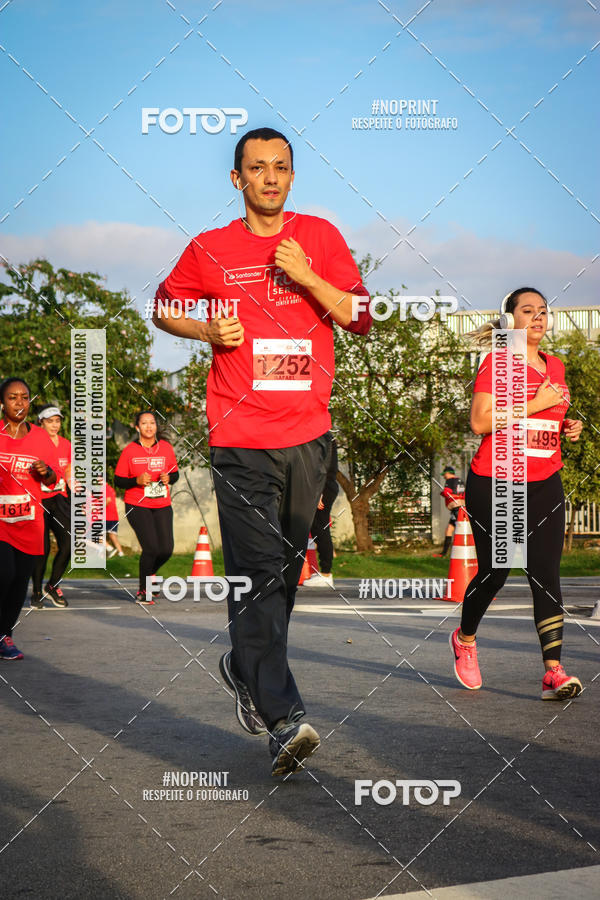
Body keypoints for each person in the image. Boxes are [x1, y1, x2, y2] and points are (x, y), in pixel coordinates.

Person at [153, 126, 371, 776]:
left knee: (282, 576)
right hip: (240, 438)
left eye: (280, 167)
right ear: (237, 179)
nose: (269, 177)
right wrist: (203, 329)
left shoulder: (320, 238)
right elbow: (162, 306)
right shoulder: (210, 248)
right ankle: (283, 718)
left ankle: (242, 666)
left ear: (292, 177)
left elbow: (360, 317)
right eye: (257, 167)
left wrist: (306, 276)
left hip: (308, 437)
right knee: (254, 573)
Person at [450, 287, 583, 700]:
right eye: (528, 311)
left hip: (545, 479)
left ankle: (553, 672)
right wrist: (537, 404)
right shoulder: (498, 363)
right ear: (510, 321)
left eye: (543, 311)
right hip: (497, 479)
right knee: (497, 570)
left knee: (545, 574)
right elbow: (479, 421)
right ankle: (465, 639)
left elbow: (545, 418)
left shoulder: (556, 366)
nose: (538, 317)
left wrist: (566, 426)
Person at [0, 378, 59, 659]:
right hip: (1, 522)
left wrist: (45, 472)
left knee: (20, 582)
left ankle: (5, 636)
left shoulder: (40, 437)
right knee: (5, 573)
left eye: (25, 397)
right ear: (2, 403)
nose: (20, 403)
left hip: (29, 521)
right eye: (13, 397)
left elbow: (53, 479)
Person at [114, 411, 178, 604]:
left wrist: (169, 477)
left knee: (166, 549)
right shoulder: (130, 451)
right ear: (137, 427)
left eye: (152, 423)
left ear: (156, 426)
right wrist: (136, 480)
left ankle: (150, 574)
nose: (149, 426)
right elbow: (118, 480)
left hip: (162, 504)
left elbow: (175, 474)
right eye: (144, 423)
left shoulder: (165, 448)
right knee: (151, 548)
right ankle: (143, 590)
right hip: (137, 504)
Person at [30, 405, 71, 608]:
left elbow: (69, 469)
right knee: (42, 548)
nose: (54, 425)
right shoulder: (33, 444)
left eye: (57, 421)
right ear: (41, 423)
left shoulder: (65, 444)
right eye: (50, 421)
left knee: (69, 543)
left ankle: (52, 585)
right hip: (38, 500)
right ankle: (36, 592)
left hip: (59, 499)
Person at [303, 434, 338, 588]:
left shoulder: (323, 437)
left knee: (320, 528)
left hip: (323, 488)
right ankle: (324, 572)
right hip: (320, 487)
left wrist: (319, 492)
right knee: (317, 528)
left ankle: (326, 573)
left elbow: (325, 468)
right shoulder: (322, 436)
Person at [433, 465, 465, 558]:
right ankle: (443, 553)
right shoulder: (461, 481)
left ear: (448, 473)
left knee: (461, 530)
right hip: (462, 507)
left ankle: (462, 552)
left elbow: (447, 492)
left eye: (444, 474)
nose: (444, 476)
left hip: (456, 508)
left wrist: (442, 493)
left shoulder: (450, 481)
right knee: (449, 530)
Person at [105, 481, 124, 558]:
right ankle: (121, 554)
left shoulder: (104, 488)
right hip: (114, 516)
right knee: (113, 536)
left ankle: (109, 549)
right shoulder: (110, 489)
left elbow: (108, 500)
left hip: (107, 516)